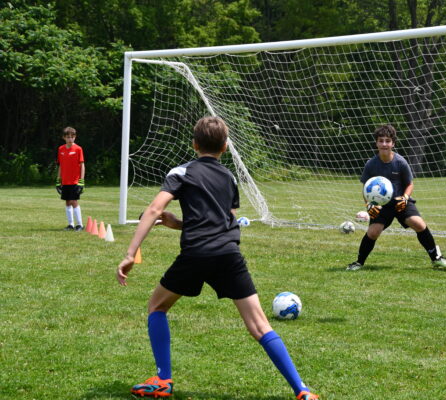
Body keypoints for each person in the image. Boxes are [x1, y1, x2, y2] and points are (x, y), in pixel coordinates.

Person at [116, 116, 319, 400]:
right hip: (228, 253)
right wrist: (181, 224)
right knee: (260, 326)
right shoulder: (230, 177)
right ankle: (303, 391)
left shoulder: (181, 172)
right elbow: (228, 220)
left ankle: (163, 379)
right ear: (225, 147)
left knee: (156, 306)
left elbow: (153, 210)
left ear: (194, 144)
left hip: (197, 253)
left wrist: (129, 254)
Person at [347, 124, 446, 271]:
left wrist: (405, 197)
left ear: (393, 143)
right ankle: (358, 262)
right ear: (376, 143)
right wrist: (369, 205)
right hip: (381, 205)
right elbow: (366, 188)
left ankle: (436, 258)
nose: (384, 144)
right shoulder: (371, 164)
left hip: (400, 201)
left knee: (418, 224)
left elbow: (410, 184)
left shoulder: (400, 162)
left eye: (387, 141)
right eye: (381, 140)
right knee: (373, 232)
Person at [56, 126, 85, 231]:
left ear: (75, 137)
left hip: (75, 181)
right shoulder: (61, 149)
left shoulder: (78, 149)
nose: (70, 139)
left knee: (74, 201)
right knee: (67, 202)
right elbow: (60, 165)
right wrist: (58, 180)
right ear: (64, 137)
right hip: (65, 181)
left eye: (72, 137)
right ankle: (71, 224)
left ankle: (80, 225)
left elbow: (82, 165)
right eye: (68, 137)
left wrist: (81, 181)